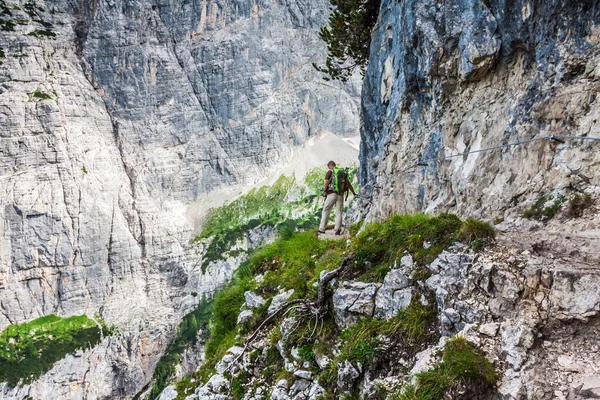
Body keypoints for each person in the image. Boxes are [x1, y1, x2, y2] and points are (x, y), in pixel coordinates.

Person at [318, 161, 357, 235]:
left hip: (332, 194)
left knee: (326, 210)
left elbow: (326, 183)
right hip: (341, 194)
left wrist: (325, 194)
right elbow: (348, 184)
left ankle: (322, 229)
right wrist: (354, 193)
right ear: (335, 165)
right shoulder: (342, 173)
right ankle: (337, 230)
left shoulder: (330, 172)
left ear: (329, 166)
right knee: (339, 212)